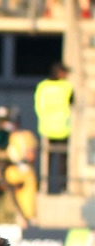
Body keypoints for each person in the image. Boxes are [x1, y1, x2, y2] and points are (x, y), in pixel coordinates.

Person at [33, 62, 72, 194]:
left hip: (46, 128)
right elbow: (72, 102)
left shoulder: (42, 86)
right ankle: (62, 188)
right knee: (62, 161)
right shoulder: (66, 86)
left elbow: (38, 106)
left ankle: (44, 187)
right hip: (62, 128)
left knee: (46, 161)